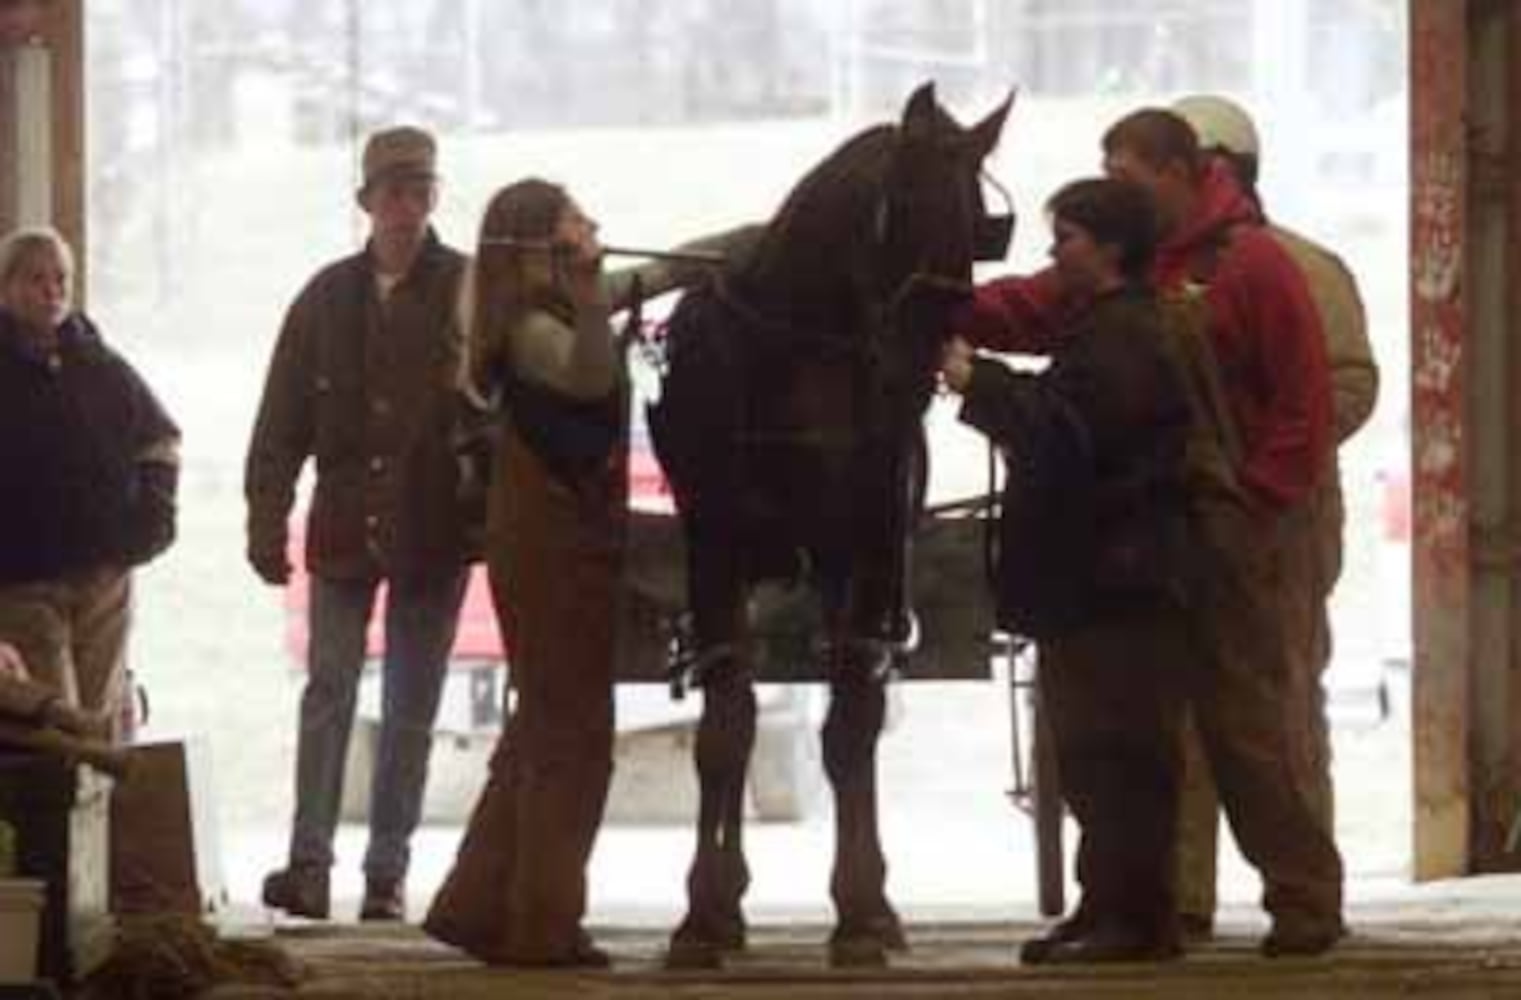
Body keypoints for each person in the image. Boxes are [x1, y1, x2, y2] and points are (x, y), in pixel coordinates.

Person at [952, 108, 1345, 957]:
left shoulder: (1256, 266)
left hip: (1230, 522)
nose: (1114, 189)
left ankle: (1303, 897)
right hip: (1152, 533)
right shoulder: (1120, 274)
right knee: (1130, 731)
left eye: (1126, 173)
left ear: (1180, 170)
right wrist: (938, 302)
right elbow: (1021, 309)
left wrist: (1255, 508)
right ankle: (1147, 905)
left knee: (1243, 720)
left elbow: (1306, 404)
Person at [423, 178, 754, 966]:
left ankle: (476, 904)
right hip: (551, 545)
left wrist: (750, 237)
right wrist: (584, 283)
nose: (594, 224)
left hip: (555, 540)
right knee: (572, 737)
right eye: (576, 219)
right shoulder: (533, 325)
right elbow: (589, 377)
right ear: (543, 241)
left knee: (540, 727)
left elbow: (656, 276)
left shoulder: (556, 304)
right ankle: (542, 925)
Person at [943, 177, 1193, 963]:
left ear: (1111, 247)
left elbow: (1069, 437)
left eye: (1068, 239)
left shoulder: (1125, 336)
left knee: (1119, 751)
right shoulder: (1104, 328)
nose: (1054, 254)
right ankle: (1106, 905)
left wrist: (976, 380)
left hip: (1115, 578)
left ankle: (1134, 920)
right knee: (1091, 752)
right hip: (1097, 577)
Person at [246, 126, 472, 923]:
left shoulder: (470, 292)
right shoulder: (324, 298)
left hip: (432, 529)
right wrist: (264, 521)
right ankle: (308, 868)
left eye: (418, 189)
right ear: (366, 202)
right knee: (327, 694)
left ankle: (386, 876)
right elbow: (279, 423)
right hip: (342, 525)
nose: (405, 205)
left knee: (411, 704)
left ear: (435, 197)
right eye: (391, 191)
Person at [1168, 92, 1379, 939]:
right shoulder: (1160, 268)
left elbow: (1349, 386)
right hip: (1190, 522)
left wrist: (1258, 470)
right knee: (1181, 711)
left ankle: (1301, 899)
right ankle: (1181, 898)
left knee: (1277, 710)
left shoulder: (1300, 268)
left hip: (1280, 526)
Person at [0, 226, 179, 747]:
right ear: (6, 287)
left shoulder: (99, 364)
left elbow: (161, 440)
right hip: (24, 582)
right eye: (36, 279)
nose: (52, 291)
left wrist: (153, 521)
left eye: (62, 279)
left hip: (104, 575)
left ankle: (98, 828)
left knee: (100, 728)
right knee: (52, 725)